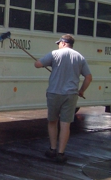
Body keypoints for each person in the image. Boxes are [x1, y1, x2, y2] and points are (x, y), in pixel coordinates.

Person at [34, 34, 92, 164]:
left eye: (59, 43)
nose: (58, 45)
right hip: (70, 95)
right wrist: (81, 90)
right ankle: (61, 153)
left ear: (64, 43)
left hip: (54, 93)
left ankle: (52, 149)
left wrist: (40, 63)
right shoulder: (79, 57)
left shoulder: (54, 54)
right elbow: (88, 77)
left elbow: (37, 64)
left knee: (52, 121)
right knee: (65, 124)